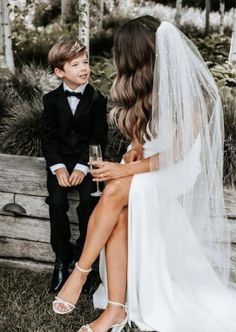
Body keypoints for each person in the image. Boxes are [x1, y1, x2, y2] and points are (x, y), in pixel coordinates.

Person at [52, 16, 236, 332]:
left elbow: (177, 153)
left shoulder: (189, 87)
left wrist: (125, 170)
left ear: (138, 54)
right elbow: (142, 141)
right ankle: (115, 310)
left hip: (177, 170)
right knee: (119, 210)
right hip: (150, 164)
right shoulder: (143, 83)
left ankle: (79, 273)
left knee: (115, 190)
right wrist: (131, 155)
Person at [41, 40, 107, 293]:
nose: (84, 68)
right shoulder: (51, 100)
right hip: (59, 164)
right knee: (56, 202)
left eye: (86, 62)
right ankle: (62, 257)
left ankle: (85, 260)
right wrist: (58, 167)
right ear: (60, 72)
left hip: (88, 163)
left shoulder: (97, 98)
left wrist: (82, 167)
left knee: (89, 203)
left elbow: (98, 138)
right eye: (75, 64)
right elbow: (48, 137)